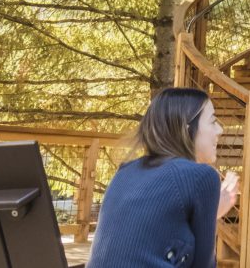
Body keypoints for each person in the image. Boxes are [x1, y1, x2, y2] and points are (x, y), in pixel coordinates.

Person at [89, 87, 239, 267]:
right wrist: (211, 213)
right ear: (187, 128)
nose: (220, 130)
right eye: (213, 121)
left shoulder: (125, 172)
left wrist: (210, 213)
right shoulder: (202, 176)